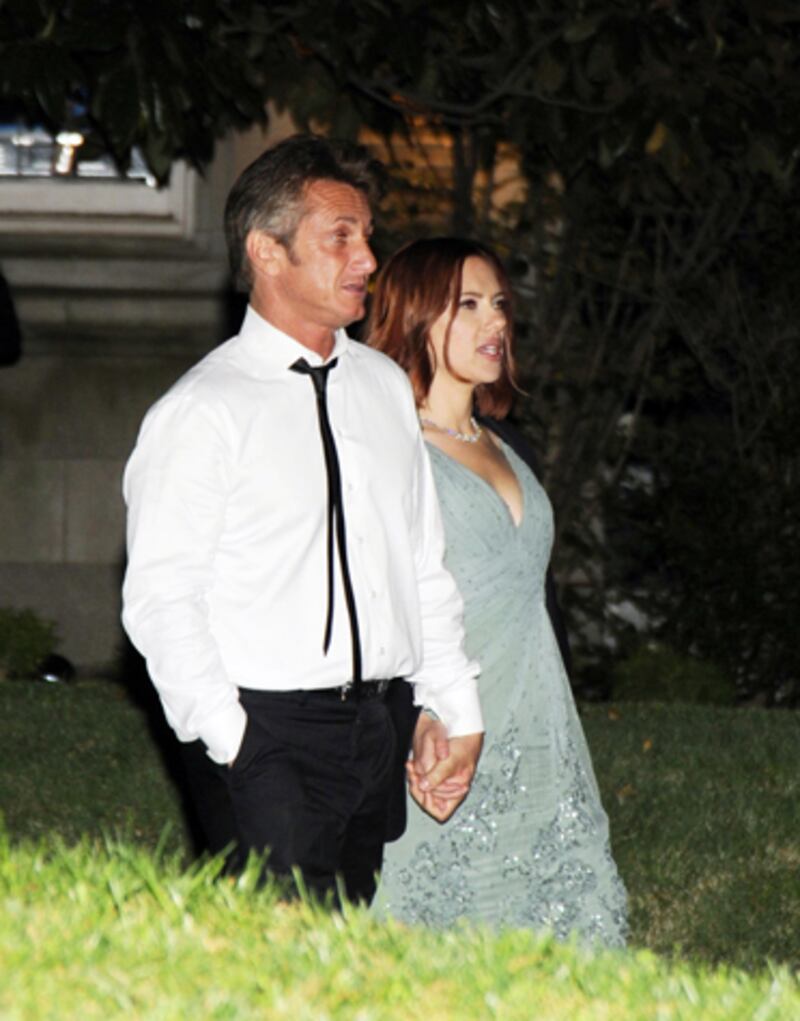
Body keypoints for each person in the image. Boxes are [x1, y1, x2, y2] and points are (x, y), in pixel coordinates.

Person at [121, 136, 484, 906]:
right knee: (276, 955)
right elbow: (161, 599)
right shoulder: (202, 409)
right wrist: (234, 740)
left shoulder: (384, 386)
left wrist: (450, 702)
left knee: (343, 948)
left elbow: (421, 563)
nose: (368, 259)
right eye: (339, 237)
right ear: (267, 251)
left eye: (367, 235)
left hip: (379, 725)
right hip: (267, 731)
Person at [367, 237, 628, 946]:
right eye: (470, 305)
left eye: (501, 305)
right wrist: (413, 721)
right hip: (443, 733)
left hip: (542, 735)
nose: (497, 322)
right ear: (416, 315)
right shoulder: (388, 447)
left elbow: (540, 600)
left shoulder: (510, 444)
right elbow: (381, 608)